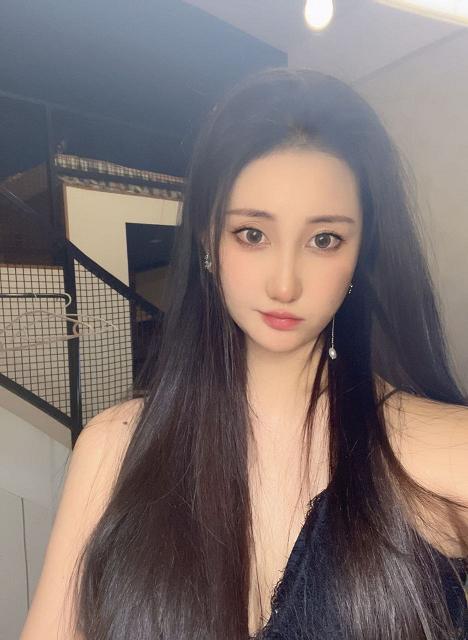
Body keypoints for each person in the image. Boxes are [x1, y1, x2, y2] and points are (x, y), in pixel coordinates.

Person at [21, 67, 467, 640]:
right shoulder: (114, 452)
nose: (285, 284)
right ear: (208, 238)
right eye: (252, 234)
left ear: (361, 252)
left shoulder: (440, 453)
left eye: (324, 239)